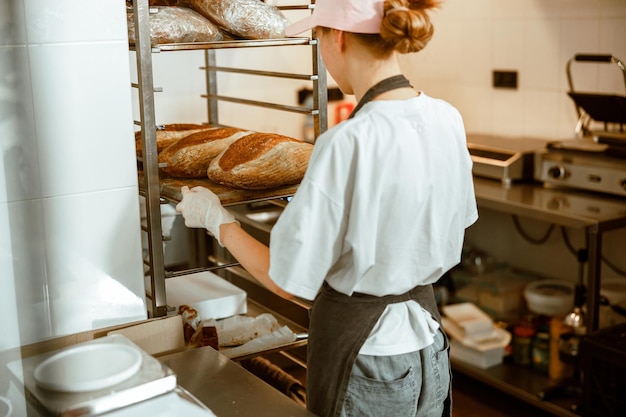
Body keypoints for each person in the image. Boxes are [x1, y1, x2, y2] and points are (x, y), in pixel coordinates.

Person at [175, 0, 478, 416]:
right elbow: (454, 223)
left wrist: (217, 220)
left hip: (368, 358)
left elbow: (286, 280)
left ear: (337, 36)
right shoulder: (448, 118)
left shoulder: (347, 142)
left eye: (317, 38)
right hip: (430, 350)